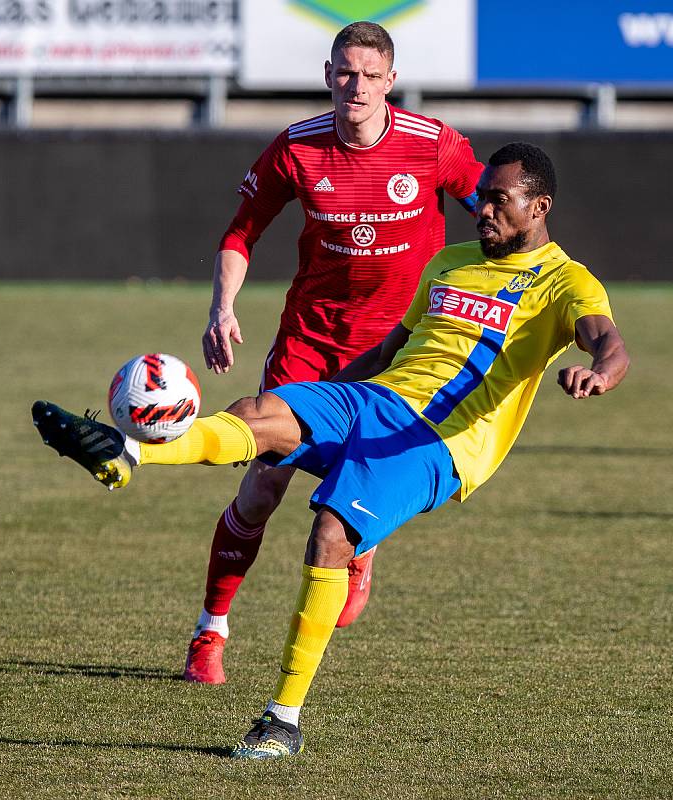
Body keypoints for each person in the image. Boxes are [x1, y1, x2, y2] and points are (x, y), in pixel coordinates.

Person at [32, 142, 630, 760]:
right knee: (260, 413)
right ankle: (126, 454)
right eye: (480, 196)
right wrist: (327, 395)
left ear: (540, 206)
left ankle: (282, 717)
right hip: (375, 397)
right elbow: (395, 346)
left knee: (330, 533)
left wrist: (599, 374)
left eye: (499, 201)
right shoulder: (449, 262)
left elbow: (608, 344)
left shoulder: (567, 282)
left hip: (436, 441)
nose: (483, 209)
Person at [190, 21, 483, 683]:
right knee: (262, 487)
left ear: (390, 82)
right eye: (345, 73)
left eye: (369, 76)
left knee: (354, 496)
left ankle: (360, 545)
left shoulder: (432, 145)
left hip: (398, 356)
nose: (356, 87)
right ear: (327, 74)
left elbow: (497, 212)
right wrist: (222, 308)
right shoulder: (297, 148)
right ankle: (210, 631)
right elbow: (241, 233)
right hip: (310, 346)